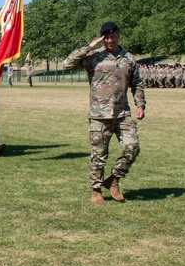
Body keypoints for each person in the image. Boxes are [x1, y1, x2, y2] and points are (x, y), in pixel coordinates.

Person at [63, 22, 146, 205]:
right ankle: (96, 190)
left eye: (113, 35)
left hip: (122, 113)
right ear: (102, 38)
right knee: (99, 155)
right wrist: (89, 46)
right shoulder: (94, 56)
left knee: (132, 147)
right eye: (106, 36)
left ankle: (114, 180)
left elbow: (137, 83)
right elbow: (67, 64)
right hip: (99, 115)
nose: (110, 39)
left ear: (119, 35)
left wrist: (140, 104)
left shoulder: (128, 58)